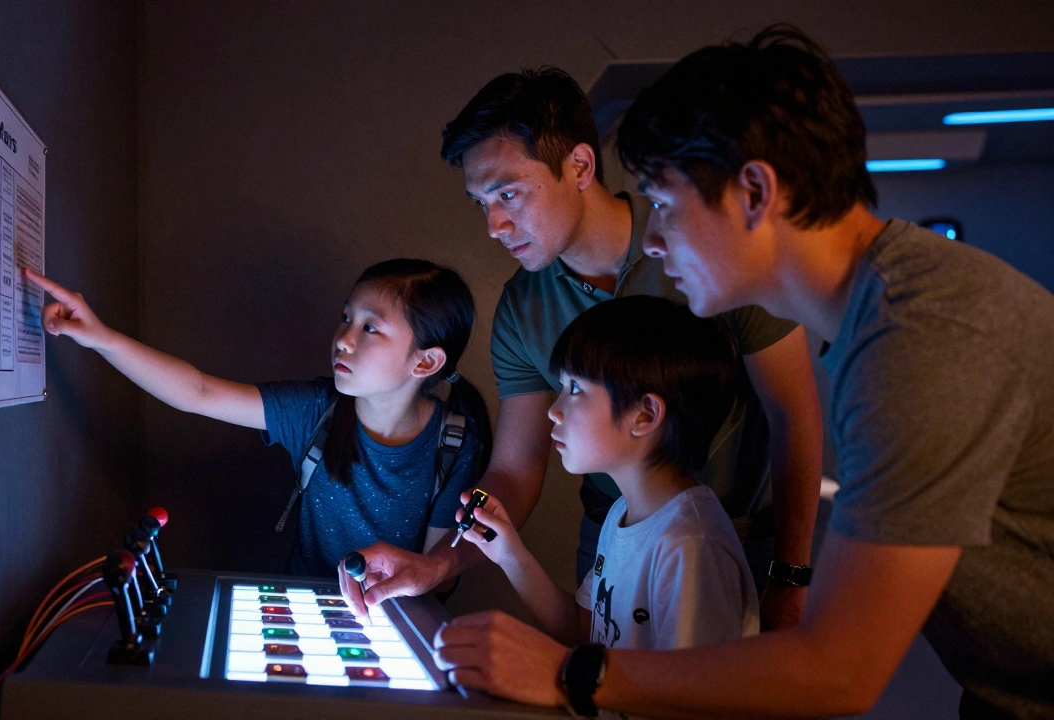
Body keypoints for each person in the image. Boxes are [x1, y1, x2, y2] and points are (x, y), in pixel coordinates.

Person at [434, 26, 1054, 719]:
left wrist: (569, 673)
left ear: (754, 191)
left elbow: (840, 673)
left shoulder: (921, 343)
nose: (654, 240)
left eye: (666, 206)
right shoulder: (882, 319)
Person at [340, 66, 823, 634]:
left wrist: (790, 577)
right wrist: (438, 563)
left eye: (508, 193)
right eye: (481, 203)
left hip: (740, 535)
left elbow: (793, 413)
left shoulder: (705, 243)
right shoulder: (523, 307)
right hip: (612, 534)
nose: (495, 225)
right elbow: (515, 470)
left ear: (580, 166)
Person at [24, 259, 491, 578]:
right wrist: (101, 337)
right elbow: (197, 391)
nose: (343, 339)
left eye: (370, 327)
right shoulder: (315, 410)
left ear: (425, 361)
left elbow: (438, 573)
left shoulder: (455, 444)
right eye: (345, 318)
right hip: (304, 609)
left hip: (397, 627)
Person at [459, 296, 757, 666]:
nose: (554, 411)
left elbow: (690, 689)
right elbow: (582, 628)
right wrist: (508, 553)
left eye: (575, 389)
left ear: (644, 415)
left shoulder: (690, 546)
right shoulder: (623, 513)